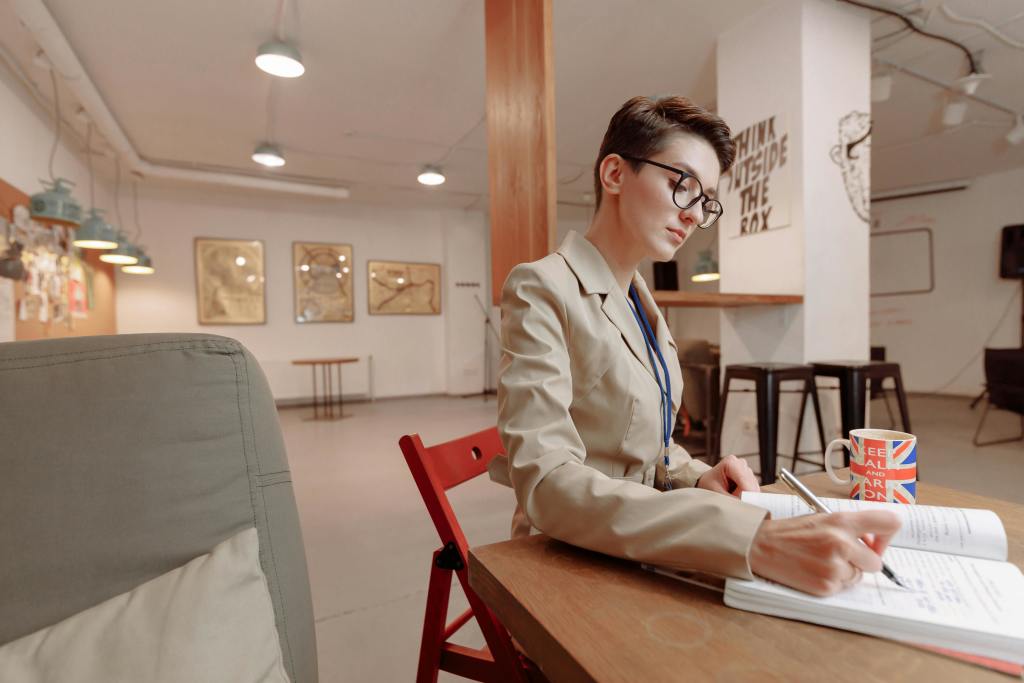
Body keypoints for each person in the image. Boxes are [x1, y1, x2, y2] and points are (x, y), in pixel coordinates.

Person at [493, 95, 900, 596]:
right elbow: (547, 483)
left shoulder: (641, 299)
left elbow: (648, 448)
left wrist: (696, 475)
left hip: (643, 545)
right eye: (682, 185)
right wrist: (753, 540)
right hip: (567, 558)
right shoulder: (542, 286)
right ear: (615, 175)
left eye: (706, 201)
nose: (694, 215)